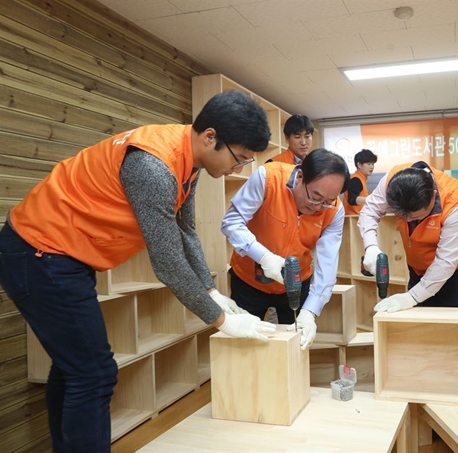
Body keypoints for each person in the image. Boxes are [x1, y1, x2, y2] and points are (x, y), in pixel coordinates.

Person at [0, 90, 278, 453]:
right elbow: (165, 262)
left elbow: (186, 231)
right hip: (38, 252)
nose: (237, 168)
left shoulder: (187, 159)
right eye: (238, 159)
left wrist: (212, 292)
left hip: (63, 255)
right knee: (95, 373)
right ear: (210, 137)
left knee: (74, 368)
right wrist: (221, 320)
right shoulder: (154, 165)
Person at [221, 148, 350, 350]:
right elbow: (232, 222)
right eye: (315, 197)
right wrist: (263, 257)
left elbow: (327, 265)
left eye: (327, 201)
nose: (319, 206)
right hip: (249, 281)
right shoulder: (268, 178)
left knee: (295, 346)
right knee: (243, 346)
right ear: (300, 177)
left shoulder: (335, 210)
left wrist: (310, 312)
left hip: (296, 284)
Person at [358, 161, 458, 312]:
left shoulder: (457, 202)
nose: (408, 221)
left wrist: (412, 297)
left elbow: (445, 262)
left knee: (451, 324)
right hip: (419, 266)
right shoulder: (392, 180)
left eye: (415, 217)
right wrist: (371, 246)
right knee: (418, 321)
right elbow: (370, 211)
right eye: (402, 216)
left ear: (433, 197)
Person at [343, 148, 378, 215]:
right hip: (354, 221)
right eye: (368, 164)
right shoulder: (356, 179)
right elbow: (352, 199)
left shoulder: (361, 179)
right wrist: (371, 200)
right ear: (359, 165)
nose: (372, 167)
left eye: (373, 164)